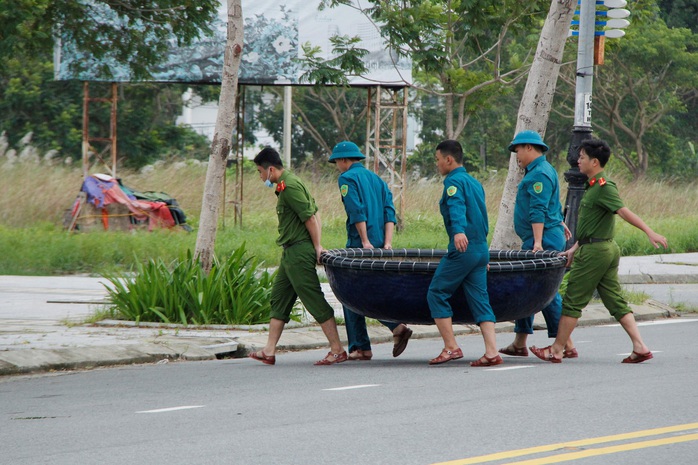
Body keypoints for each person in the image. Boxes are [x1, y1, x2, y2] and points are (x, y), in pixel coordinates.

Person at [530, 138, 668, 363]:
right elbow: (591, 226)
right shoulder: (592, 186)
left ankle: (556, 349)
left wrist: (649, 231)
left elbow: (624, 212)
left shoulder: (604, 187)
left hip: (596, 252)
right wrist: (574, 248)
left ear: (594, 162)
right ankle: (640, 346)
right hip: (599, 247)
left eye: (582, 157)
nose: (578, 160)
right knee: (614, 300)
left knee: (573, 300)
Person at [249, 147, 347, 366]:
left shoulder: (290, 186)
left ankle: (337, 349)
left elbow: (310, 218)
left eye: (259, 172)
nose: (260, 176)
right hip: (290, 252)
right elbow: (315, 213)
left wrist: (318, 247)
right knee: (279, 298)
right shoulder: (289, 183)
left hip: (298, 251)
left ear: (270, 169)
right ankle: (269, 350)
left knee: (313, 299)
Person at [329, 141, 413, 361]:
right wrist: (387, 243)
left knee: (350, 295)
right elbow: (389, 212)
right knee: (368, 292)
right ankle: (361, 346)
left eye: (337, 161)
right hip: (380, 245)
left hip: (359, 246)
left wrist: (364, 241)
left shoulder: (346, 178)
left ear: (344, 160)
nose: (337, 165)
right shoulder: (377, 179)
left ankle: (376, 337)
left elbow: (356, 210)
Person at [498, 130, 577, 359]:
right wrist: (559, 222)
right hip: (542, 236)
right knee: (527, 288)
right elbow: (552, 203)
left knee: (544, 291)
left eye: (518, 150)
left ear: (530, 148)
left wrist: (539, 242)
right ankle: (520, 341)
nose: (517, 155)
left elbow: (538, 210)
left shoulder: (538, 174)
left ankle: (567, 343)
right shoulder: (543, 170)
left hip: (539, 240)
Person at [427, 140, 502, 367]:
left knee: (436, 292)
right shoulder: (474, 182)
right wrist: (482, 251)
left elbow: (456, 206)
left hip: (463, 248)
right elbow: (482, 217)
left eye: (438, 160)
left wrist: (458, 231)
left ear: (449, 159)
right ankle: (491, 352)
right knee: (480, 300)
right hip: (480, 249)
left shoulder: (454, 182)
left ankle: (451, 347)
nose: (437, 164)